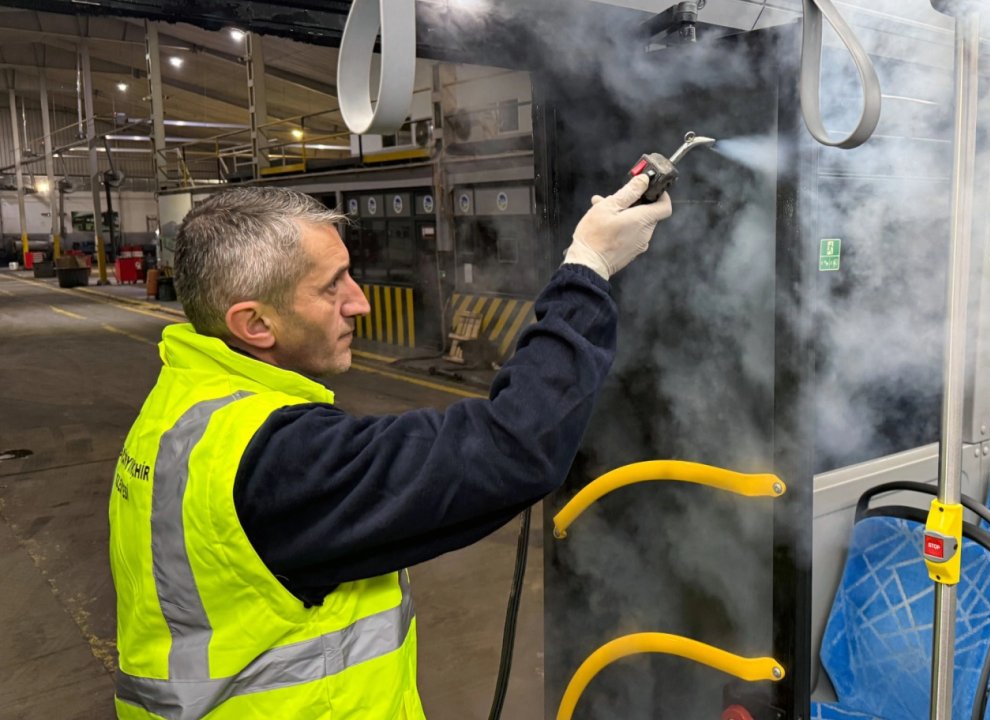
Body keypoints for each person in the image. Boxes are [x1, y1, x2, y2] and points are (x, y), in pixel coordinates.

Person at [109, 177, 672, 719]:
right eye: (332, 286)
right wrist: (588, 267)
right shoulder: (276, 462)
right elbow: (514, 447)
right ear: (255, 323)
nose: (360, 304)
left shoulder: (184, 407)